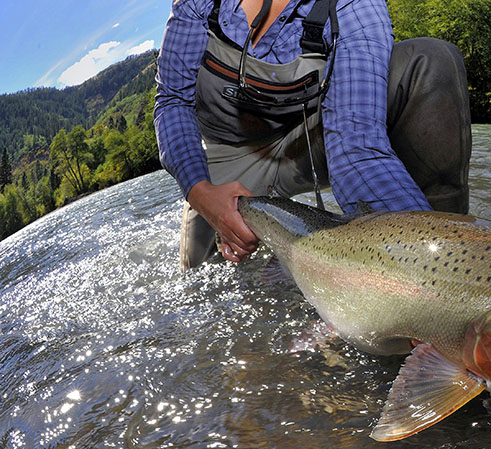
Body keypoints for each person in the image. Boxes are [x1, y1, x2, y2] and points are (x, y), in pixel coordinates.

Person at [154, 0, 471, 270]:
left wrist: (421, 266)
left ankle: (453, 260)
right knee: (202, 286)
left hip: (309, 141)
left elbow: (356, 144)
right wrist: (201, 192)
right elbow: (172, 100)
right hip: (226, 158)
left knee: (428, 61)